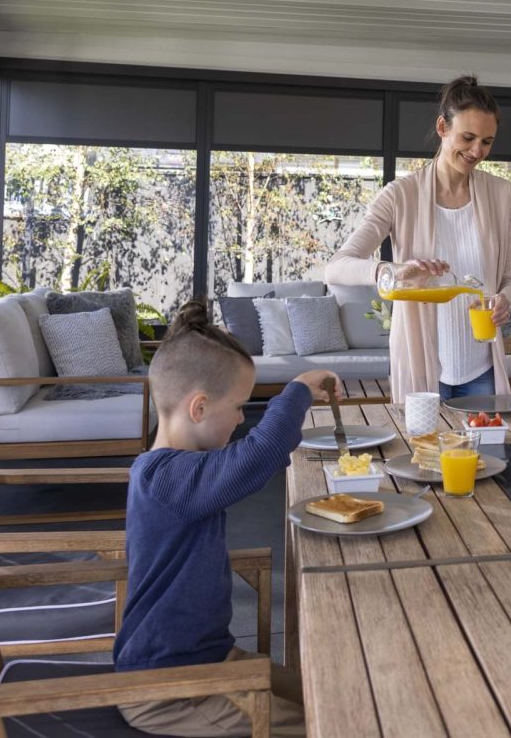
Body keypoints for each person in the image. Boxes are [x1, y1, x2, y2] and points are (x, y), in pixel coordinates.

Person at [114, 301, 336, 736]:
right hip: (171, 687)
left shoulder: (174, 470)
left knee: (336, 689)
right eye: (238, 407)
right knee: (334, 719)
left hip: (209, 657)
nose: (241, 419)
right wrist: (298, 389)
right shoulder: (169, 477)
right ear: (198, 408)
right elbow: (260, 454)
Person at [327, 75, 511, 405]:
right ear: (443, 127)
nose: (477, 151)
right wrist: (390, 271)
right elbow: (336, 268)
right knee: (422, 456)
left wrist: (505, 300)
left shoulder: (502, 195)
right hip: (421, 367)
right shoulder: (400, 195)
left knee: (486, 457)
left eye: (487, 141)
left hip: (483, 370)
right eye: (468, 137)